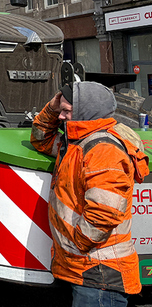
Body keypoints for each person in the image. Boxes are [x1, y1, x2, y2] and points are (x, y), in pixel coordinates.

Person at [31, 82, 150, 307]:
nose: (62, 117)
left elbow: (105, 213)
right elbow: (41, 139)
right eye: (61, 111)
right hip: (86, 269)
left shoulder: (103, 150)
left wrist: (77, 246)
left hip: (99, 273)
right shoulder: (77, 143)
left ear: (87, 113)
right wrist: (51, 109)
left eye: (67, 111)